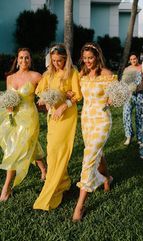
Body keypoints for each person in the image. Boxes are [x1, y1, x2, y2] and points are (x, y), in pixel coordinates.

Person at [33, 44, 82, 210]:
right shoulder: (49, 74)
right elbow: (39, 90)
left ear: (66, 59)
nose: (56, 64)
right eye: (53, 61)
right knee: (52, 150)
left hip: (67, 115)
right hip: (52, 117)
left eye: (59, 61)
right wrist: (45, 101)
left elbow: (77, 94)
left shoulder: (72, 73)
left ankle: (53, 187)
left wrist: (64, 105)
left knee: (59, 150)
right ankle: (64, 182)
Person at [72, 42, 116, 222]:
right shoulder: (81, 74)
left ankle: (79, 206)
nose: (88, 61)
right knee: (97, 152)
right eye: (85, 58)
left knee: (88, 157)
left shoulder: (106, 75)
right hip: (87, 120)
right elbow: (77, 95)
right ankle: (106, 178)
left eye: (91, 58)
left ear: (97, 57)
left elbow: (117, 93)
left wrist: (113, 98)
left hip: (102, 119)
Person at [0, 48, 46, 202]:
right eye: (21, 58)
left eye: (27, 58)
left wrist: (45, 100)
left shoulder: (36, 76)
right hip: (13, 117)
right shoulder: (10, 78)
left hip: (29, 116)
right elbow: (8, 97)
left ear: (30, 60)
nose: (24, 61)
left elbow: (46, 91)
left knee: (15, 150)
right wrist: (8, 106)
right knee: (27, 144)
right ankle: (44, 170)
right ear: (17, 60)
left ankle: (5, 189)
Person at [122, 53, 142, 146]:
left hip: (140, 94)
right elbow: (123, 82)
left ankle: (140, 136)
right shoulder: (127, 69)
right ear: (129, 60)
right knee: (126, 114)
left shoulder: (142, 68)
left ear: (137, 59)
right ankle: (129, 135)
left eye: (135, 58)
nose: (133, 60)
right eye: (131, 59)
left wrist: (138, 88)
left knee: (139, 116)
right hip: (129, 95)